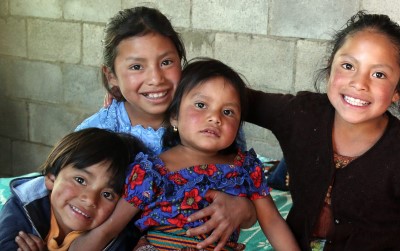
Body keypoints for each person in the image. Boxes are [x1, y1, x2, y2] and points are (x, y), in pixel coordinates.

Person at [207, 11, 400, 250]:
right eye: (348, 66)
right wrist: (171, 88)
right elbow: (228, 97)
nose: (359, 83)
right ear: (329, 69)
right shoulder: (301, 114)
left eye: (378, 74)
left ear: (398, 90)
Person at [70, 58, 300, 251]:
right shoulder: (152, 170)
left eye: (228, 111)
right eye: (201, 105)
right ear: (174, 117)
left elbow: (271, 221)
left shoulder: (246, 168)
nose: (215, 117)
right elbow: (111, 227)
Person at [75, 6, 255, 250]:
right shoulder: (96, 132)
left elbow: (245, 190)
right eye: (137, 67)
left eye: (167, 62)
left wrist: (241, 208)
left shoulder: (213, 125)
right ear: (111, 76)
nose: (156, 78)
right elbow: (67, 199)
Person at [0, 128, 146, 251]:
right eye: (80, 180)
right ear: (51, 178)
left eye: (107, 194)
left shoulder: (114, 239)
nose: (90, 200)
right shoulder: (23, 206)